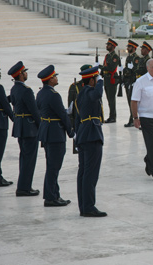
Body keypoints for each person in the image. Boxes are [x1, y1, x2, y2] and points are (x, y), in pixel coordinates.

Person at [36, 65, 74, 206]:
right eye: (55, 76)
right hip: (55, 133)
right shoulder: (54, 95)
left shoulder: (40, 93)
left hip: (46, 131)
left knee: (51, 165)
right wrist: (71, 132)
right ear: (50, 79)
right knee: (54, 167)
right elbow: (62, 115)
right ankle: (50, 197)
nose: (56, 78)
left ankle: (54, 194)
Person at [75, 66, 107, 217]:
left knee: (83, 172)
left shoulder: (81, 94)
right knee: (90, 173)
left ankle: (84, 205)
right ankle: (88, 206)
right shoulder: (89, 92)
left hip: (83, 134)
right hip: (91, 134)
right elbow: (97, 94)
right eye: (96, 79)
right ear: (92, 80)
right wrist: (101, 81)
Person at [8, 61, 41, 197]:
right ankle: (24, 188)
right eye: (25, 72)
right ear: (21, 75)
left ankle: (24, 186)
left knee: (24, 156)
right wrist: (42, 126)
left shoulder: (14, 89)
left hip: (20, 125)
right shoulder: (27, 91)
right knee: (29, 158)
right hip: (29, 127)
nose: (26, 73)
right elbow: (34, 111)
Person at [101, 38, 120, 123]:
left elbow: (111, 68)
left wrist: (101, 67)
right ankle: (111, 115)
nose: (107, 46)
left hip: (112, 79)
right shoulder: (108, 56)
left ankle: (113, 117)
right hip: (106, 79)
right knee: (109, 99)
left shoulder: (115, 56)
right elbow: (104, 67)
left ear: (112, 46)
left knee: (111, 99)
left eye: (108, 45)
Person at [68, 64, 92, 128]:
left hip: (92, 122)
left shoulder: (94, 86)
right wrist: (72, 123)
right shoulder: (75, 86)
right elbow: (71, 107)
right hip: (79, 121)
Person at [123, 40, 139, 127]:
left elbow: (135, 70)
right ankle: (131, 118)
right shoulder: (129, 57)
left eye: (129, 47)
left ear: (133, 48)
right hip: (127, 81)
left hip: (132, 81)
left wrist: (130, 69)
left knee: (132, 101)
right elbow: (126, 69)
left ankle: (132, 119)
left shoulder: (136, 58)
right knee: (129, 101)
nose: (127, 48)